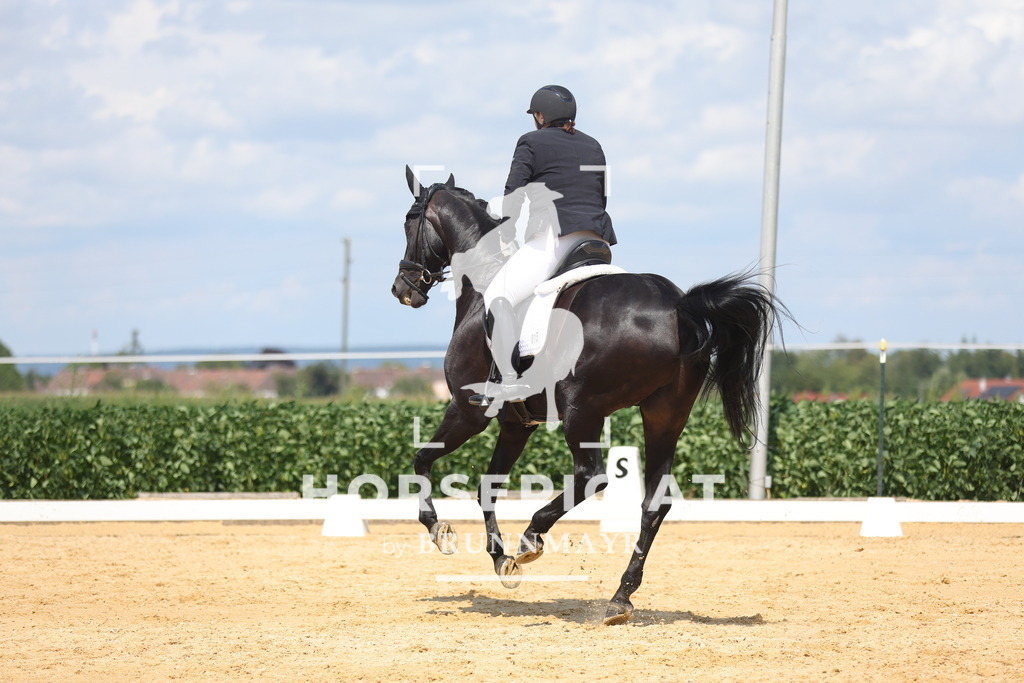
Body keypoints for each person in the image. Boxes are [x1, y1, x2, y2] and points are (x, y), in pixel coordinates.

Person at [470, 84, 617, 412]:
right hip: (598, 242)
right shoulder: (594, 145)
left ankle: (509, 382)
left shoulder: (531, 142)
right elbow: (601, 197)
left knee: (498, 295)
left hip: (554, 241)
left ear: (539, 116)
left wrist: (505, 230)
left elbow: (513, 196)